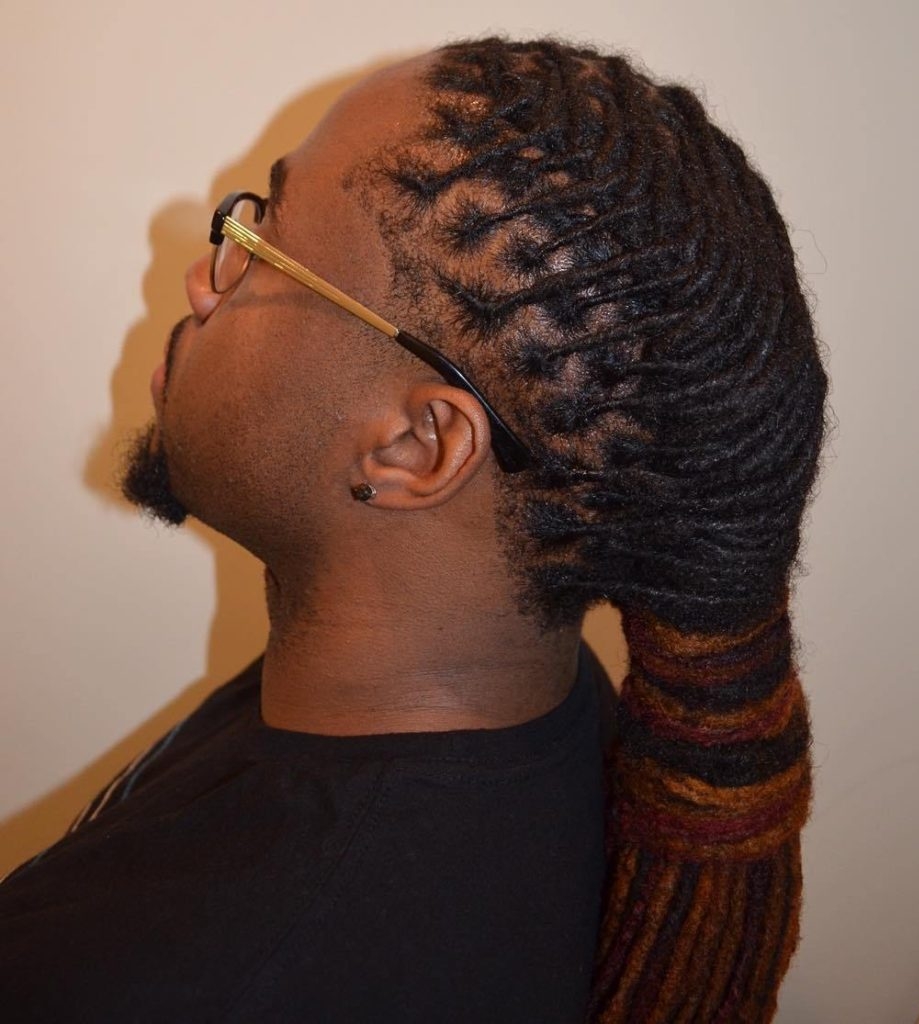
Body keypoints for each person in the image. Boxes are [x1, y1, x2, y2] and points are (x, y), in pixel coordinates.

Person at [0, 37, 828, 1023]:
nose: (205, 280)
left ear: (416, 445)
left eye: (265, 245)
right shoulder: (538, 702)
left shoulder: (181, 979)